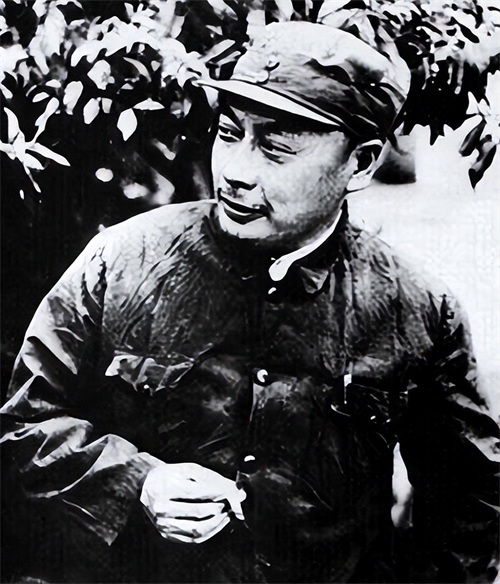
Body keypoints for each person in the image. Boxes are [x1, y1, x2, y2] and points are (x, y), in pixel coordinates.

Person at [1, 21, 498, 584]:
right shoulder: (120, 261)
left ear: (360, 163)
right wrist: (137, 482)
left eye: (276, 149)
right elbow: (23, 427)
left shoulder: (417, 310)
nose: (237, 172)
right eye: (229, 133)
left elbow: (468, 510)